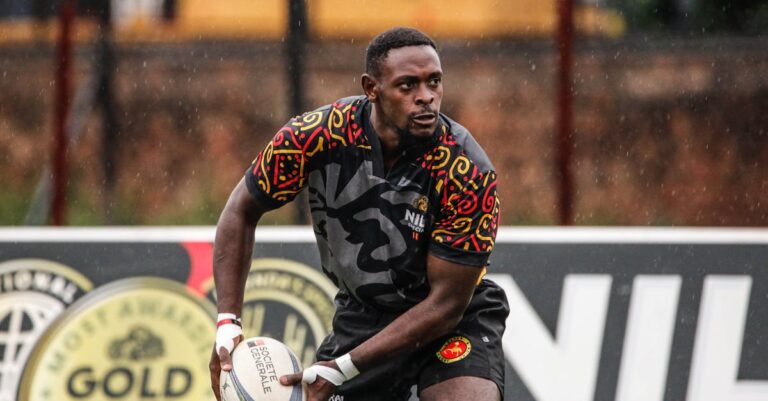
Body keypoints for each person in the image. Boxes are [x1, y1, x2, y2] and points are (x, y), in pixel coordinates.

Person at [209, 27, 509, 401]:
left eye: (434, 81)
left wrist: (344, 367)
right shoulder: (315, 136)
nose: (426, 96)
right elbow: (241, 210)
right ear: (372, 88)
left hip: (453, 321)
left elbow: (446, 305)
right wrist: (227, 322)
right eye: (408, 85)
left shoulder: (467, 170)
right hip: (364, 315)